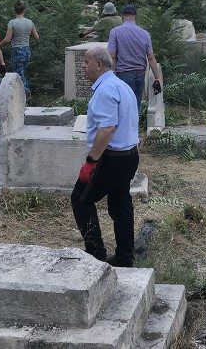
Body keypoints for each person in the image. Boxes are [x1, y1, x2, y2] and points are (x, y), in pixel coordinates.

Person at [71, 46, 139, 267]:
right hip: (129, 156)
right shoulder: (122, 86)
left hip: (110, 159)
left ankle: (95, 253)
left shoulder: (105, 90)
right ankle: (125, 257)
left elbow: (107, 129)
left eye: (86, 62)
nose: (83, 66)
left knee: (81, 200)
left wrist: (91, 162)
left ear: (99, 64)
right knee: (120, 205)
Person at [107, 4, 163, 110]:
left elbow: (112, 56)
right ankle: (134, 126)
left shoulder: (115, 32)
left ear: (122, 16)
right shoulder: (145, 34)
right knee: (135, 108)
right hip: (140, 75)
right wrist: (157, 78)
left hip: (123, 75)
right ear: (135, 17)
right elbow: (151, 58)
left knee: (123, 109)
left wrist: (109, 74)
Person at [0, 1, 39, 92]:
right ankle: (23, 94)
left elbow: (7, 39)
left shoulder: (12, 23)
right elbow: (37, 37)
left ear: (15, 11)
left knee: (18, 75)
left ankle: (25, 94)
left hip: (17, 50)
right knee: (22, 73)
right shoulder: (30, 22)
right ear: (24, 10)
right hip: (27, 50)